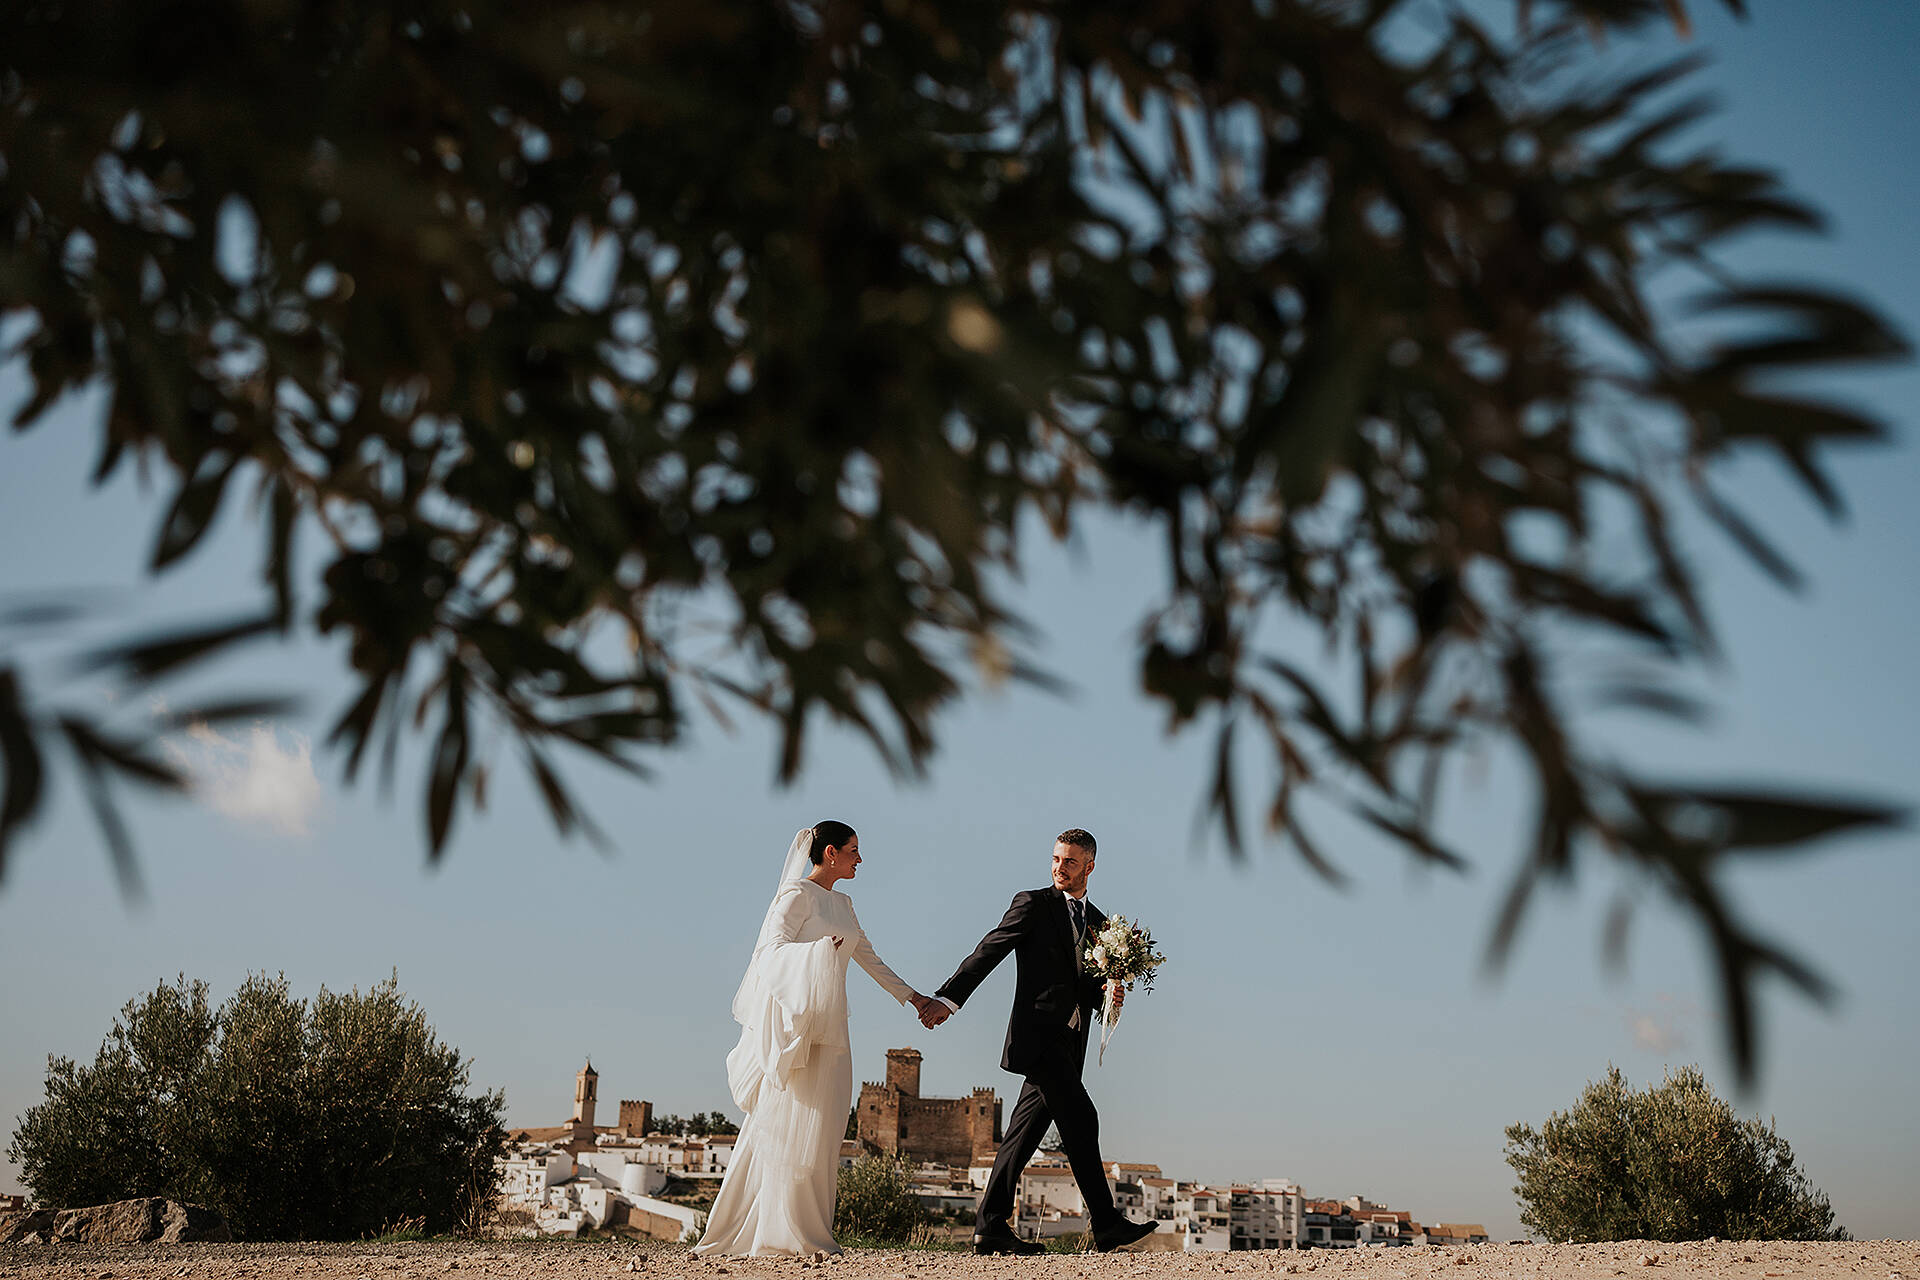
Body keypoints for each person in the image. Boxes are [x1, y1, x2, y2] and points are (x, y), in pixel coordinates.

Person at [695, 821, 947, 1257]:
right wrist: (816, 952)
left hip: (834, 1026)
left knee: (826, 1124)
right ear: (830, 853)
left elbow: (868, 957)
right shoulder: (795, 895)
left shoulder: (844, 903)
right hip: (797, 1028)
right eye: (854, 850)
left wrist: (915, 998)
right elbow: (767, 953)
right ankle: (775, 1231)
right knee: (786, 1122)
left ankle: (809, 1228)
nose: (860, 859)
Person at [922, 827, 1159, 1255]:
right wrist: (949, 999)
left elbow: (1087, 990)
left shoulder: (1103, 925)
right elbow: (989, 949)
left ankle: (990, 1227)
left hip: (1072, 1044)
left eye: (1069, 861)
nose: (1058, 868)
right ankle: (1106, 1223)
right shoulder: (1032, 904)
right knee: (1083, 1120)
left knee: (1022, 1137)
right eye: (1055, 859)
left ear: (1089, 866)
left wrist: (1109, 993)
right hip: (1039, 1039)